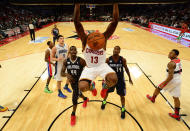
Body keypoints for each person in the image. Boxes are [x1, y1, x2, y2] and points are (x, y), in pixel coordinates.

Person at [73, 3, 119, 98]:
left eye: (96, 36)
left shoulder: (104, 38)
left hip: (102, 66)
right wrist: (77, 4)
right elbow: (76, 22)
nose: (94, 38)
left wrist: (115, 3)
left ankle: (105, 86)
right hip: (89, 68)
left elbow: (114, 22)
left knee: (114, 79)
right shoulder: (85, 40)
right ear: (89, 36)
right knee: (82, 87)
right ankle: (92, 87)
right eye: (92, 36)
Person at [147, 49, 182, 121]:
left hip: (172, 80)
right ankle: (177, 115)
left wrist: (164, 83)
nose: (169, 53)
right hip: (178, 80)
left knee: (158, 87)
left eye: (171, 53)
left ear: (175, 55)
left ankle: (153, 98)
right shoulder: (178, 60)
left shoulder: (171, 64)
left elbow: (170, 76)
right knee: (176, 97)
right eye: (170, 52)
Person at [101, 46, 133, 119]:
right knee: (106, 92)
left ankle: (123, 108)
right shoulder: (108, 59)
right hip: (110, 81)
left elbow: (126, 69)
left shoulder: (123, 60)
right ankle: (104, 101)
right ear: (113, 50)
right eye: (115, 49)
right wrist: (104, 79)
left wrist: (130, 78)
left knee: (122, 96)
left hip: (120, 80)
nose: (116, 50)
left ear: (119, 51)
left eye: (117, 49)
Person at [61, 46, 89, 126]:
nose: (73, 51)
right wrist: (67, 74)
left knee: (74, 98)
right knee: (78, 93)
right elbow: (62, 73)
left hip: (80, 81)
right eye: (71, 50)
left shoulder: (81, 61)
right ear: (69, 51)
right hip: (73, 83)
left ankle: (73, 114)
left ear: (76, 51)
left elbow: (88, 69)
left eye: (75, 50)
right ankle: (85, 99)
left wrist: (86, 78)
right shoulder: (66, 61)